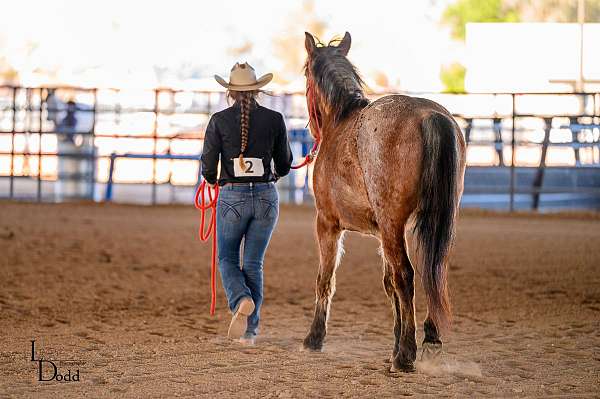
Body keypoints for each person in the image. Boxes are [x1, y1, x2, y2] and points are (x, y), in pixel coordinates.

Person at [201, 62, 293, 345]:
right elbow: (285, 164)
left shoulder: (218, 120)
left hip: (232, 198)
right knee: (253, 263)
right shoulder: (275, 119)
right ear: (257, 91)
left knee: (226, 258)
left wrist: (214, 181)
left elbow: (207, 167)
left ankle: (241, 299)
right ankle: (250, 332)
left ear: (230, 92)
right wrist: (273, 173)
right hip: (266, 197)